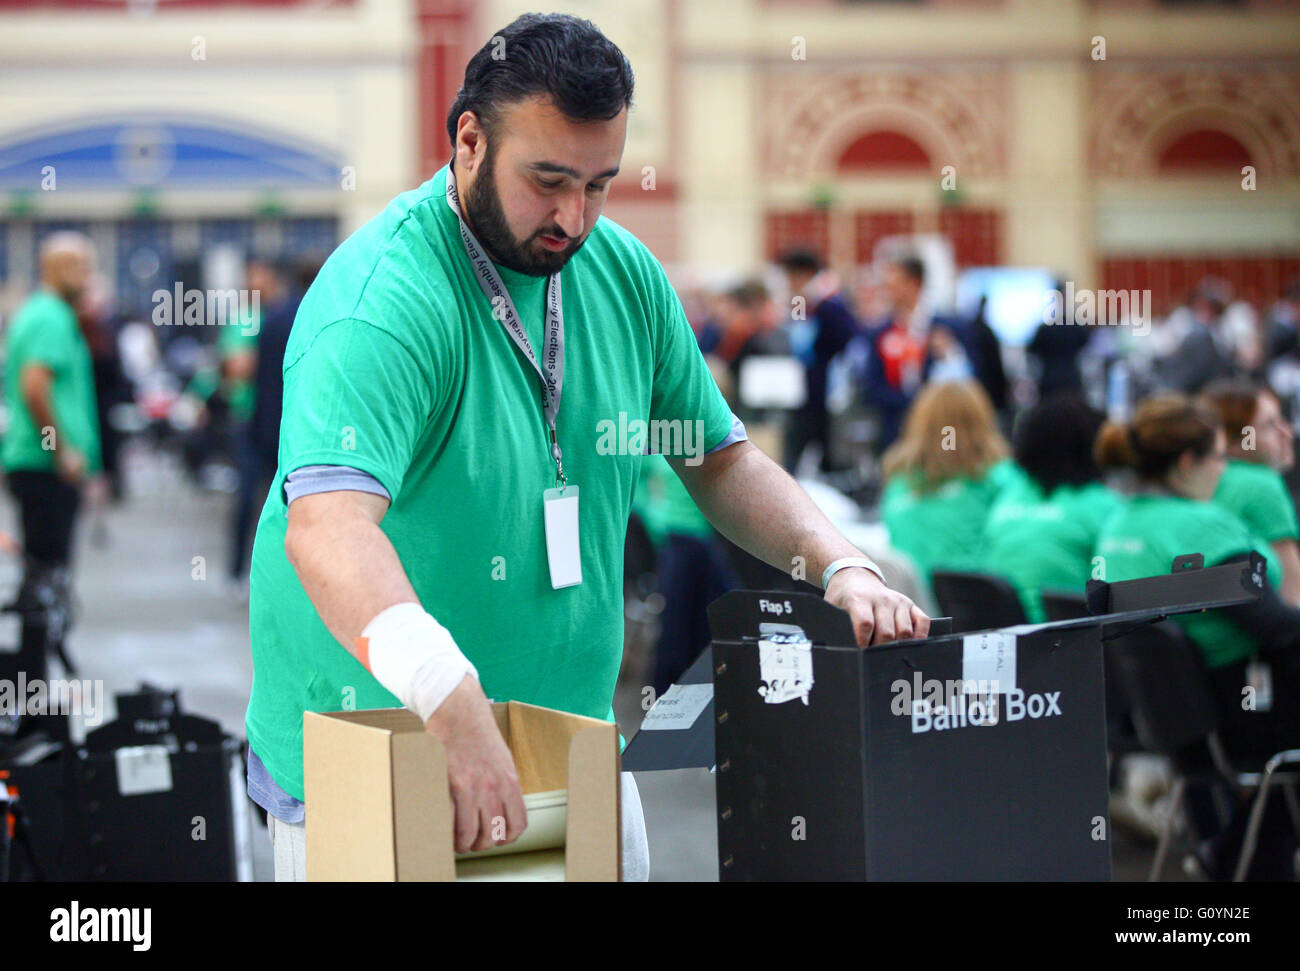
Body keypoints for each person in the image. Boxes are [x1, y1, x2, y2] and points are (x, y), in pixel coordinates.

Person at [245, 13, 928, 883]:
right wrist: (450, 705)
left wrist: (841, 564)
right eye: (549, 180)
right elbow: (330, 527)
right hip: (385, 741)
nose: (574, 218)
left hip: (569, 734)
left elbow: (718, 457)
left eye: (601, 183)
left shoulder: (623, 274)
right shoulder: (382, 301)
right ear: (468, 141)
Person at [1093, 394, 1300, 879]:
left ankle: (1224, 854)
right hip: (1242, 715)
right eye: (1219, 458)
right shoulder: (1204, 526)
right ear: (1188, 462)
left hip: (1174, 721)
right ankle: (1230, 857)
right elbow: (1273, 625)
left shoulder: (1116, 525)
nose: (1224, 471)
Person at [2, 232, 102, 584]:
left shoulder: (47, 314)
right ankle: (38, 641)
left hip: (41, 464)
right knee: (46, 579)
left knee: (43, 575)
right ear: (54, 268)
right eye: (79, 267)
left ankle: (40, 639)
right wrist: (60, 451)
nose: (87, 276)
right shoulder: (51, 317)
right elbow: (34, 387)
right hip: (44, 466)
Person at [983, 395, 1120, 623]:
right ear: (1094, 445)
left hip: (1002, 639)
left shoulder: (1005, 499)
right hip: (1068, 643)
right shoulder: (1104, 507)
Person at [880, 380, 1024, 593]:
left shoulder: (898, 484)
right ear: (982, 422)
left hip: (912, 613)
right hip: (978, 610)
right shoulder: (1000, 478)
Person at [1199, 380, 1300, 605]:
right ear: (1235, 441)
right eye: (1269, 426)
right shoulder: (1260, 483)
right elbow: (1293, 594)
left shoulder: (1201, 479)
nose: (1287, 432)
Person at [861, 254, 976, 452]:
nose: (887, 292)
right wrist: (912, 405)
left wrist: (950, 355)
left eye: (893, 284)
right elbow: (872, 386)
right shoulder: (880, 333)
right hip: (896, 432)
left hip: (942, 433)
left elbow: (971, 382)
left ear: (914, 283)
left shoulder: (950, 328)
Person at [776, 247, 861, 474]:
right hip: (802, 394)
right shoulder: (802, 303)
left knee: (828, 457)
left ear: (803, 275)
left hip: (826, 397)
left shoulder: (831, 305)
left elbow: (847, 344)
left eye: (790, 277)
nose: (788, 283)